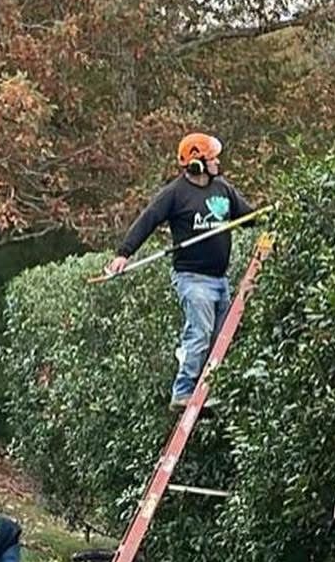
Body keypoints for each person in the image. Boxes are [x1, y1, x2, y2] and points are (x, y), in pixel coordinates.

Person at [103, 133, 253, 409]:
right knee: (200, 331)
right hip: (192, 279)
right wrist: (124, 253)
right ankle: (182, 392)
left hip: (221, 280)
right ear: (196, 164)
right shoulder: (175, 194)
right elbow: (147, 220)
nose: (218, 161)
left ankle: (206, 393)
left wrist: (271, 215)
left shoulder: (222, 188)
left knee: (220, 341)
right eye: (212, 158)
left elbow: (247, 216)